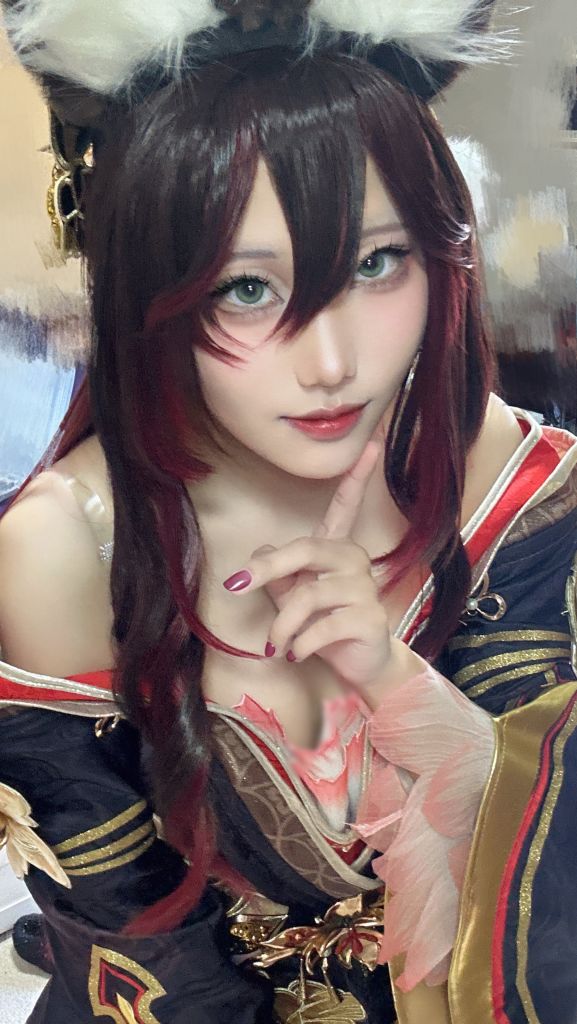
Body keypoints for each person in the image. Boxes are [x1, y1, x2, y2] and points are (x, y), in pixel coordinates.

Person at [0, 3, 576, 1022]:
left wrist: (443, 731)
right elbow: (144, 953)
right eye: (244, 289)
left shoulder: (509, 477)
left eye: (376, 263)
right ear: (143, 285)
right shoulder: (67, 546)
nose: (333, 363)